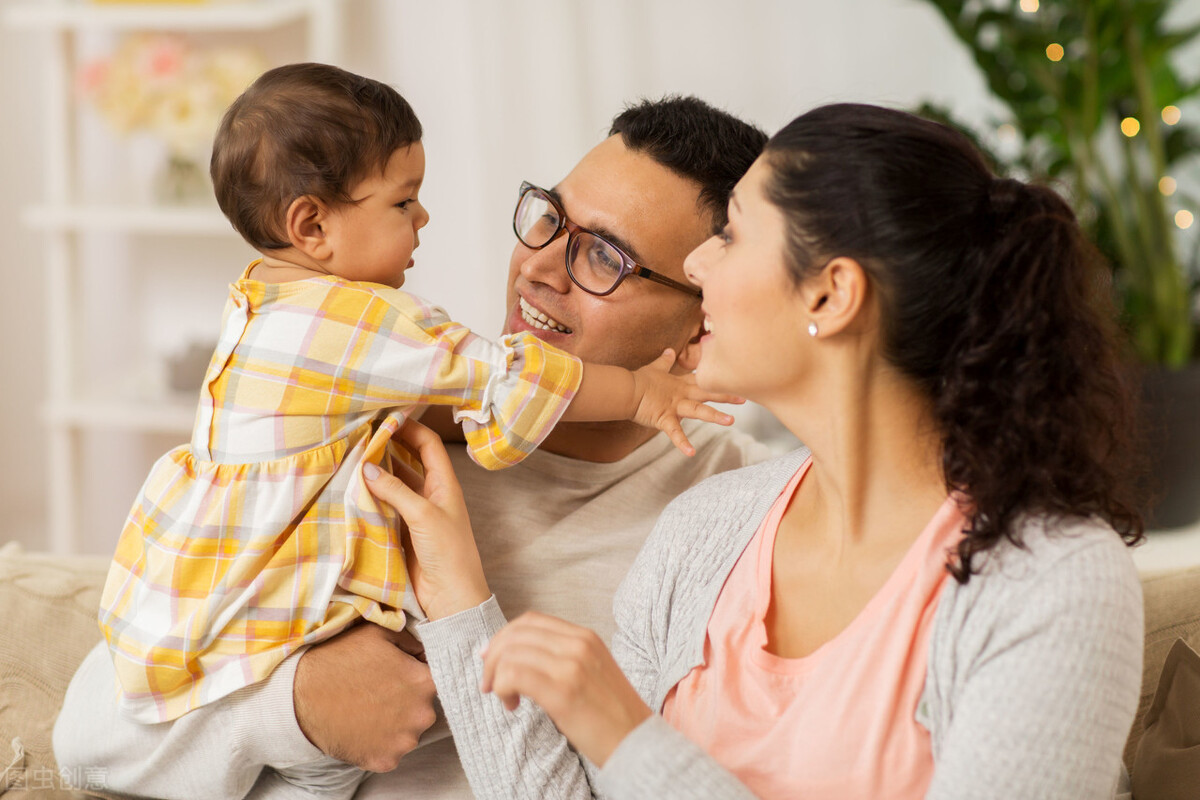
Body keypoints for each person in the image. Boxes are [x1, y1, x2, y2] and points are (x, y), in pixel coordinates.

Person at [364, 103, 1148, 799]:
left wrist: (628, 735)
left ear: (830, 295)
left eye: (731, 236)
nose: (700, 270)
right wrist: (462, 603)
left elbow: (629, 759)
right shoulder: (706, 530)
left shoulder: (1053, 577)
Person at [54, 92, 771, 799]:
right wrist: (296, 708)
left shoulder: (739, 524)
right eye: (550, 218)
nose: (541, 267)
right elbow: (89, 736)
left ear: (703, 325)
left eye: (604, 257)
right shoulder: (371, 429)